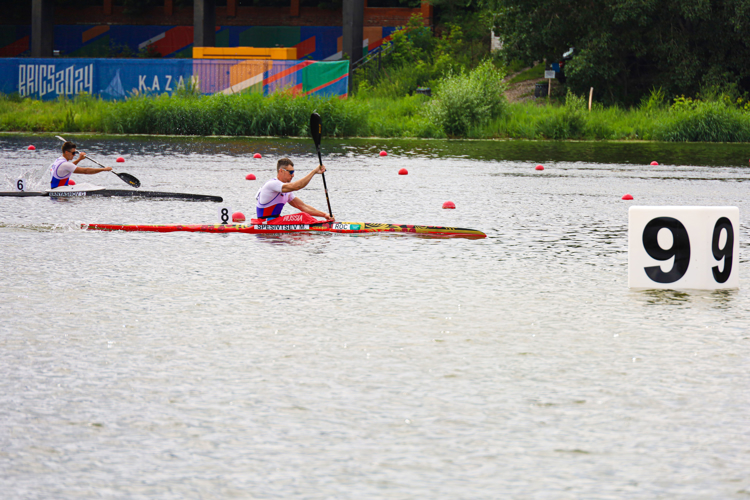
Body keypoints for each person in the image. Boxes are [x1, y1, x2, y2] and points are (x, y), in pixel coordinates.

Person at [255, 158, 334, 221]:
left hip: (275, 221)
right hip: (265, 222)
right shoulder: (272, 184)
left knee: (303, 215)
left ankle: (319, 225)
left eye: (293, 172)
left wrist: (325, 215)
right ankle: (318, 226)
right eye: (291, 172)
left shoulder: (287, 191)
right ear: (281, 171)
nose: (293, 175)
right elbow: (297, 186)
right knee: (302, 216)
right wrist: (314, 172)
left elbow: (302, 206)